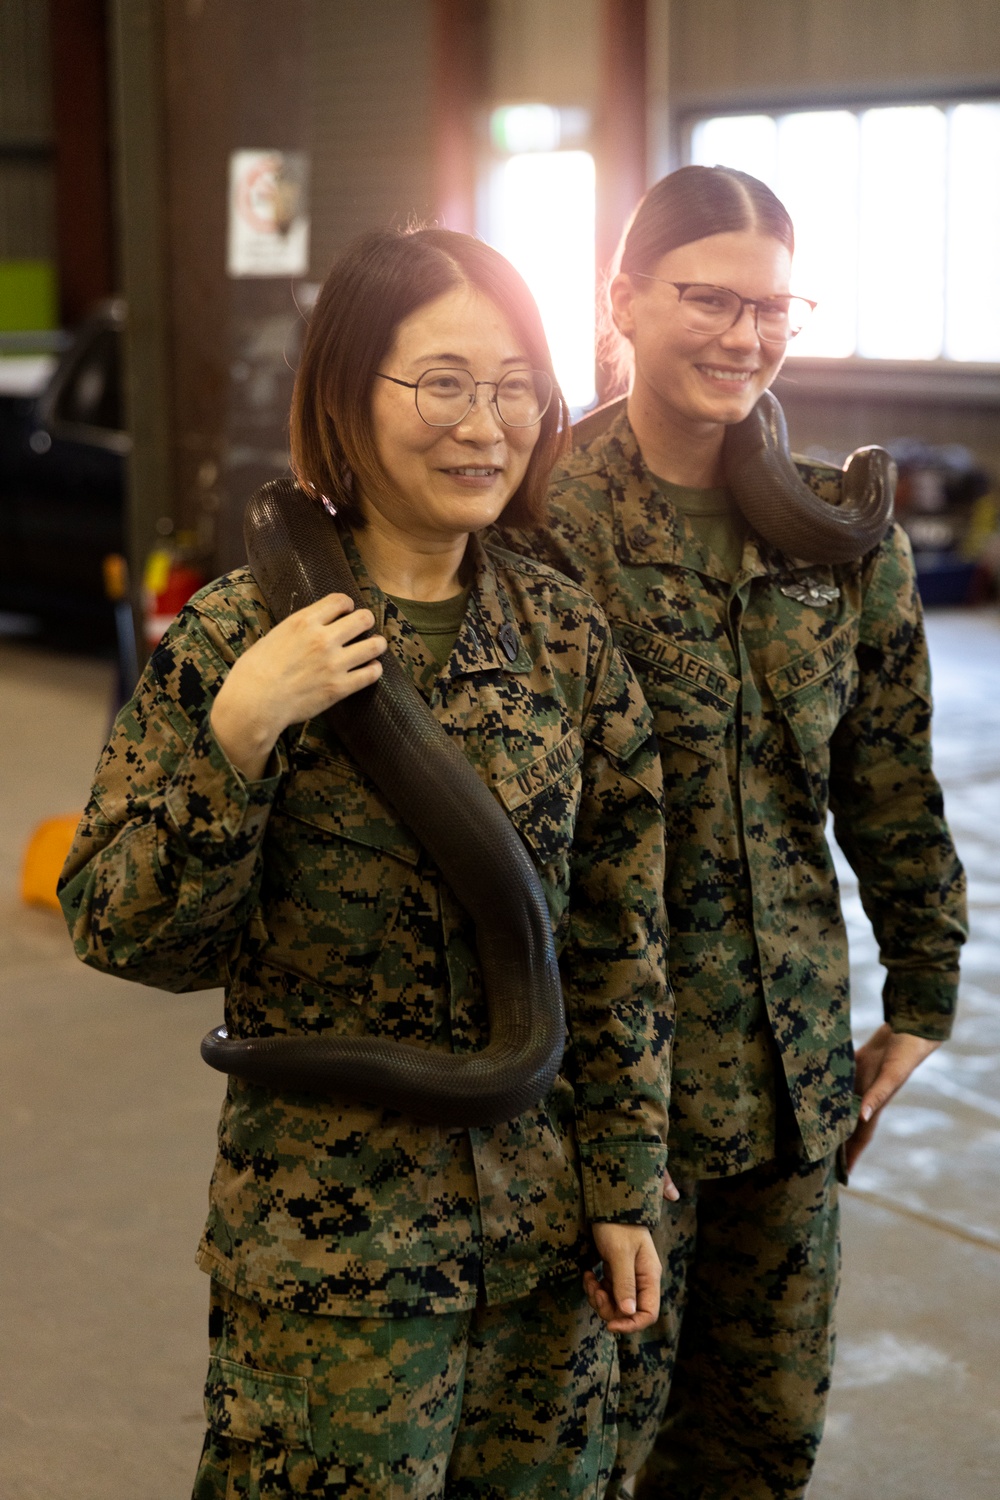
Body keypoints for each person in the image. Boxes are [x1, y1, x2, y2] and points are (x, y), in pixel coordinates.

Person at [58, 227, 672, 1499]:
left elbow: (619, 937)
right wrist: (240, 729)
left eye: (514, 386)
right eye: (441, 382)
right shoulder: (239, 632)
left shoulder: (563, 637)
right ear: (345, 394)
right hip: (333, 1268)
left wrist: (620, 1183)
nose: (484, 424)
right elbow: (122, 928)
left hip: (540, 1246)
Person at [497, 166, 968, 1500]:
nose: (745, 336)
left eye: (775, 307)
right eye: (710, 297)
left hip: (793, 1076)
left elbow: (889, 777)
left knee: (760, 1441)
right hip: (600, 1089)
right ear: (624, 299)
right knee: (590, 1439)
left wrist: (924, 992)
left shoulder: (838, 532)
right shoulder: (539, 522)